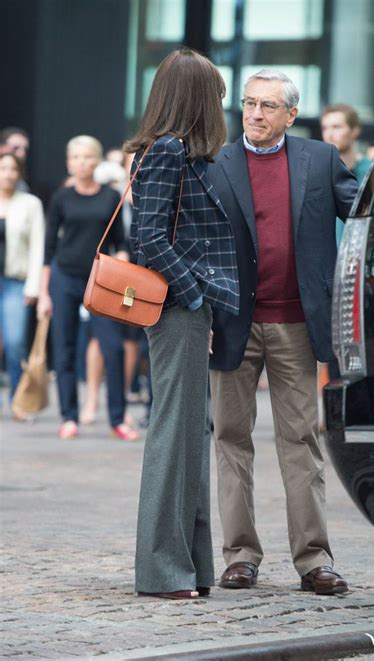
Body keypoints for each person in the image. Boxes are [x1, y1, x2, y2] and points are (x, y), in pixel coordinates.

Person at [207, 69, 358, 595]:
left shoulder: (320, 160)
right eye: (249, 104)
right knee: (231, 440)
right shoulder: (215, 162)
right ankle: (240, 556)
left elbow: (362, 217)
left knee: (299, 441)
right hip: (231, 324)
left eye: (269, 106)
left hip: (295, 323)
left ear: (291, 115)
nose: (255, 114)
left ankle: (314, 561)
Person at [126, 48, 239, 600]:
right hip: (175, 308)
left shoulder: (174, 153)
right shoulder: (167, 152)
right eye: (215, 95)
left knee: (192, 432)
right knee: (175, 435)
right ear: (196, 98)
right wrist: (194, 297)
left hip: (185, 308)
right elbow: (147, 238)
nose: (221, 106)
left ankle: (190, 566)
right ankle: (162, 572)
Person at [37, 135, 138, 441]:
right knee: (65, 348)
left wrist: (121, 264)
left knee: (114, 347)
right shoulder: (61, 198)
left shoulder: (110, 197)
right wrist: (44, 294)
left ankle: (117, 419)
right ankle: (69, 417)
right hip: (65, 277)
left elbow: (121, 242)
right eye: (76, 157)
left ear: (97, 161)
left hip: (101, 280)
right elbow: (49, 247)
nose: (82, 162)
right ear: (69, 163)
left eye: (88, 157)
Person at [0, 152, 45, 406]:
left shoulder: (30, 203)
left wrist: (34, 286)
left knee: (15, 341)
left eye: (12, 169)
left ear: (19, 173)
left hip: (16, 282)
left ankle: (18, 398)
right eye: (2, 168)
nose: (7, 173)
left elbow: (38, 246)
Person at [320, 104, 371, 244]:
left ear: (354, 131)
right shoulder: (317, 171)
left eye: (337, 127)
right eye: (325, 128)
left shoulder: (371, 172)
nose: (329, 134)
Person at [0, 127, 30, 192]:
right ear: (1, 148)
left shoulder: (22, 186)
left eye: (25, 149)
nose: (22, 153)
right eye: (15, 148)